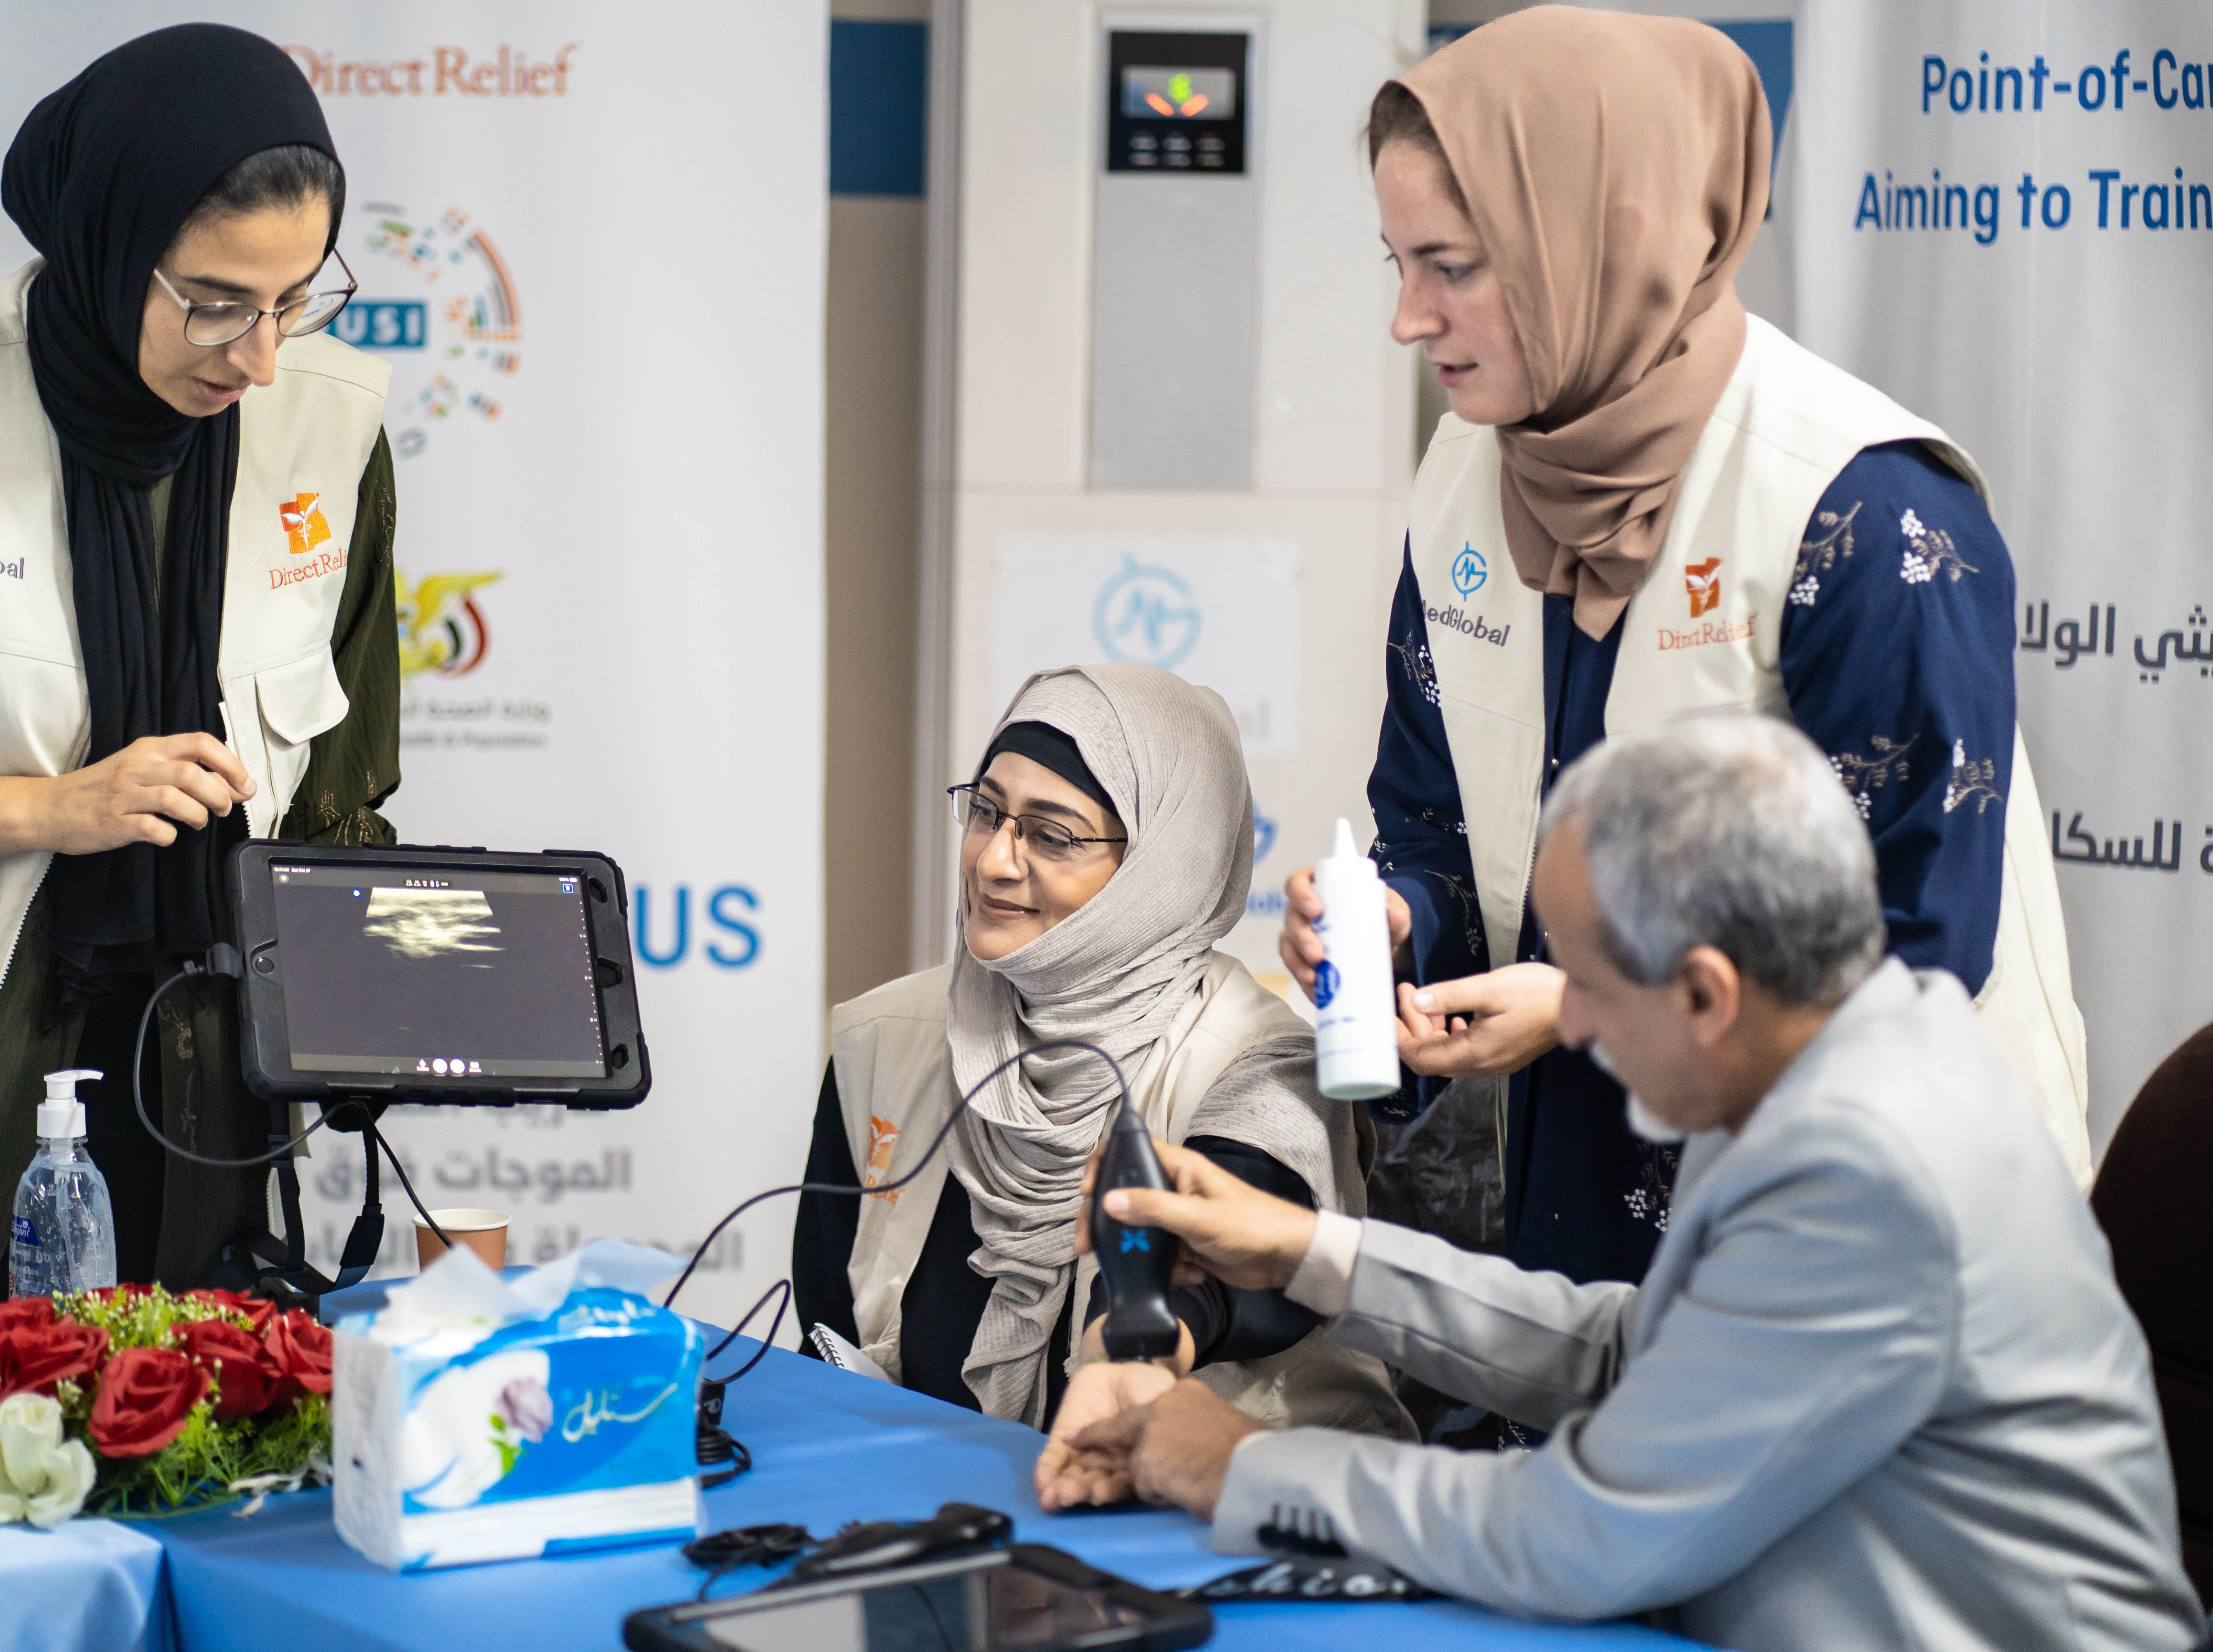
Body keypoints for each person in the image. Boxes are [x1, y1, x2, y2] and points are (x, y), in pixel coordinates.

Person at [1037, 714, 2204, 1652]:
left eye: (1584, 980)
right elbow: (1647, 1354)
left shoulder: (1871, 1167)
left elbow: (1580, 1534)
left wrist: (1230, 1458)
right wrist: (1309, 1252)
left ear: (1705, 993)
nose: (1568, 1018)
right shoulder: (1827, 1049)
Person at [1277, 7, 2089, 1306]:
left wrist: (1590, 1002)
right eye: (1397, 263)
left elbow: (1911, 955)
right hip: (1575, 1202)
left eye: (1453, 265)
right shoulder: (1469, 473)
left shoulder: (1870, 516)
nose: (1409, 322)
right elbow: (1432, 824)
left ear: (1591, 242)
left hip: (1865, 1235)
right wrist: (1395, 920)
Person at [0, 25, 399, 1355]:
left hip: (197, 1126)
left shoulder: (331, 427)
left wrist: (399, 1010)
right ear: (105, 240)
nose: (258, 357)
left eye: (295, 300)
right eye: (214, 300)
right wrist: (49, 808)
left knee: (172, 1485)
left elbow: (343, 801)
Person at [792, 664, 1402, 1438]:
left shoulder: (1259, 1061)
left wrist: (1144, 1338)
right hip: (930, 1521)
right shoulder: (880, 1041)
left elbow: (1235, 1277)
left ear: (1161, 867)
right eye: (987, 813)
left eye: (1052, 835)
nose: (993, 861)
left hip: (1199, 1534)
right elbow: (827, 1336)